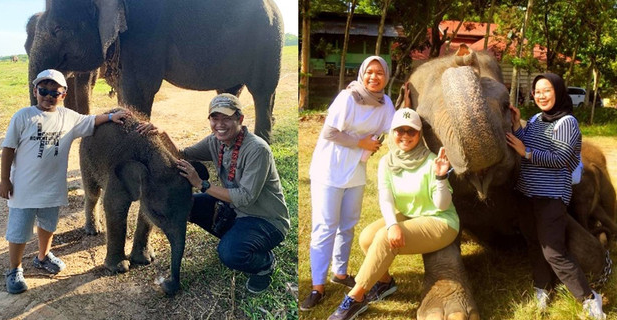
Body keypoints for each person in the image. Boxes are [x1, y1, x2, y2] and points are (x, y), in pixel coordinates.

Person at [0, 69, 131, 294]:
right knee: (19, 231)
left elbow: (91, 120)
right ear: (35, 91)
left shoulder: (68, 117)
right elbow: (8, 148)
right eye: (43, 90)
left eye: (54, 92)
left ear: (64, 94)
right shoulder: (23, 116)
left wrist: (110, 117)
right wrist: (4, 180)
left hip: (52, 187)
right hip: (24, 188)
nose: (48, 95)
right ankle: (14, 269)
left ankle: (42, 256)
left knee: (48, 225)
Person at [327, 107, 459, 320]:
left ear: (419, 134)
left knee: (384, 239)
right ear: (392, 132)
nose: (405, 136)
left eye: (411, 131)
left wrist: (441, 178)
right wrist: (393, 224)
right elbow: (385, 198)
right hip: (411, 215)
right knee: (368, 237)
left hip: (440, 221)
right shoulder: (387, 162)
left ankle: (356, 297)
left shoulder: (431, 161)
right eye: (400, 130)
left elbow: (442, 205)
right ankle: (384, 282)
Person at [506, 73, 606, 319]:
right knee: (534, 244)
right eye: (537, 91)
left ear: (559, 92)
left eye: (546, 90)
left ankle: (590, 299)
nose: (540, 95)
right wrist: (518, 126)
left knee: (554, 252)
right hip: (525, 194)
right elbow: (524, 144)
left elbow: (560, 159)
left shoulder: (567, 123)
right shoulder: (537, 119)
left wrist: (526, 153)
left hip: (551, 196)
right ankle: (543, 288)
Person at [301, 56, 395, 311]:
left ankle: (340, 273)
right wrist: (361, 142)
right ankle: (317, 286)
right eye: (370, 72)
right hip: (330, 169)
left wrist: (375, 144)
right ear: (362, 74)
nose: (374, 77)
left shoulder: (385, 103)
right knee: (325, 227)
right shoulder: (348, 98)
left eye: (380, 73)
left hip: (356, 172)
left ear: (387, 76)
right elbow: (329, 132)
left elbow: (391, 130)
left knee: (348, 225)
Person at [171, 93, 289, 294]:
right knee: (185, 206)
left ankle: (264, 264)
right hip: (234, 210)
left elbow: (245, 197)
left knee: (230, 253)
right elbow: (183, 153)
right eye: (214, 118)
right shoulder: (214, 142)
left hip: (265, 219)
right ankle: (236, 237)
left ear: (240, 119)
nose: (220, 124)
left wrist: (201, 184)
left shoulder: (257, 150)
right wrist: (160, 133)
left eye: (226, 118)